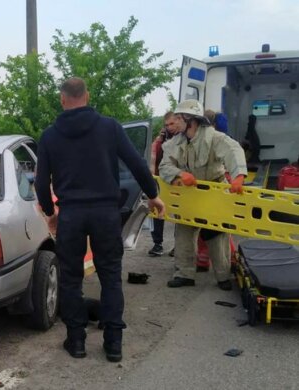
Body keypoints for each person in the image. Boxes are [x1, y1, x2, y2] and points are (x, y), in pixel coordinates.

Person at [35, 77, 165, 363]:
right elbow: (137, 163)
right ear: (88, 95)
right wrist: (153, 195)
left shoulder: (49, 136)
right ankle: (114, 344)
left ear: (62, 99)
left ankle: (77, 341)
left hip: (71, 214)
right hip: (106, 212)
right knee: (110, 276)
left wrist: (50, 213)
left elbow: (42, 182)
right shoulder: (110, 127)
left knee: (71, 278)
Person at [159, 99, 247, 291]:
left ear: (190, 119)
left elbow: (234, 151)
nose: (175, 120)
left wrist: (238, 177)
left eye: (179, 117)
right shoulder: (175, 142)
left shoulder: (214, 137)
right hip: (189, 194)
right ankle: (184, 274)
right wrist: (180, 174)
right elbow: (164, 166)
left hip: (214, 191)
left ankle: (223, 276)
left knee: (217, 235)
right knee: (183, 233)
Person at [147, 112, 179, 257]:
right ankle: (157, 244)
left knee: (180, 215)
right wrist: (151, 183)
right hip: (161, 182)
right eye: (166, 124)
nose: (169, 127)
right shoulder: (159, 142)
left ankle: (178, 245)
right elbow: (152, 162)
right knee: (157, 212)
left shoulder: (184, 139)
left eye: (172, 124)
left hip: (178, 183)